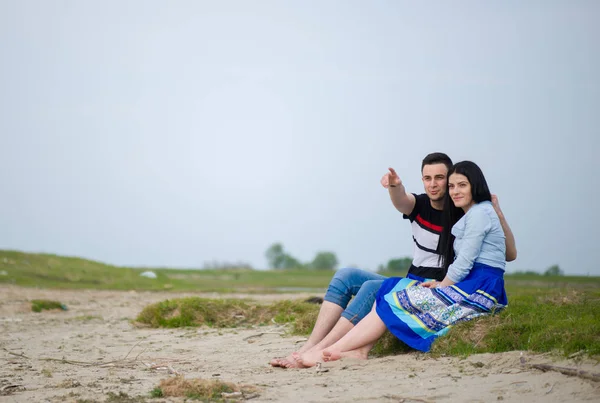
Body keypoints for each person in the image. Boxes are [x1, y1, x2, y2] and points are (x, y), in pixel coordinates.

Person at [270, 154, 516, 368]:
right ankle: (311, 346)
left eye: (442, 179)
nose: (437, 185)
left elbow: (503, 253)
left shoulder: (466, 213)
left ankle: (328, 349)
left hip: (445, 281)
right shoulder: (429, 206)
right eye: (428, 178)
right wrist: (394, 187)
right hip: (418, 279)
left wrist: (498, 213)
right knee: (346, 275)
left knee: (373, 289)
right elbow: (402, 201)